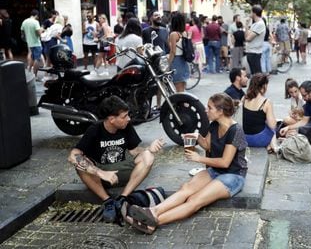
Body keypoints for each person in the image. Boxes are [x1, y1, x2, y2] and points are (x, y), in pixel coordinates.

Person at [123, 93, 248, 234]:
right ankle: (153, 211)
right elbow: (207, 146)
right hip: (215, 171)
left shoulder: (236, 130)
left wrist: (198, 158)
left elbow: (225, 163)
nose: (206, 110)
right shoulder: (214, 125)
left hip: (233, 175)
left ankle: (154, 222)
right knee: (186, 188)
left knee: (195, 200)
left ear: (220, 111)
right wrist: (196, 136)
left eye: (209, 108)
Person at [67, 96, 165, 223]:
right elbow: (73, 155)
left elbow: (134, 151)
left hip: (124, 172)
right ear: (112, 119)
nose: (128, 119)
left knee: (148, 156)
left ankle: (123, 198)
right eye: (124, 116)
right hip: (101, 177)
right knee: (80, 165)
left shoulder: (126, 127)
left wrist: (149, 149)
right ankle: (108, 201)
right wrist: (100, 172)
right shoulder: (95, 130)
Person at [242, 73, 277, 153]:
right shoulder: (266, 102)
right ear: (263, 86)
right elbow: (272, 125)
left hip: (245, 138)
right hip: (258, 139)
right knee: (272, 129)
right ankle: (273, 146)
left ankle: (269, 146)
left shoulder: (244, 98)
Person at [168, 12, 191, 92]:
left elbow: (173, 51)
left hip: (176, 62)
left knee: (178, 89)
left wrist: (168, 64)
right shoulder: (184, 33)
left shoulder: (173, 34)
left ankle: (181, 104)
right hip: (184, 61)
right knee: (182, 88)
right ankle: (184, 103)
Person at [21, 9, 45, 79]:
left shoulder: (25, 21)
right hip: (36, 43)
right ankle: (35, 75)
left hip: (30, 43)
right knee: (37, 59)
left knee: (32, 57)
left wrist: (26, 39)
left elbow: (22, 32)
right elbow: (38, 33)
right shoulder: (35, 22)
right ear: (36, 15)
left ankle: (29, 71)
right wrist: (42, 30)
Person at [245, 5, 265, 75]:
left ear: (254, 13)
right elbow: (246, 36)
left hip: (255, 53)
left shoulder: (260, 24)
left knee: (257, 76)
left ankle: (260, 86)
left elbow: (248, 38)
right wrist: (247, 25)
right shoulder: (255, 24)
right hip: (251, 52)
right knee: (255, 75)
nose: (250, 13)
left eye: (251, 11)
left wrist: (247, 29)